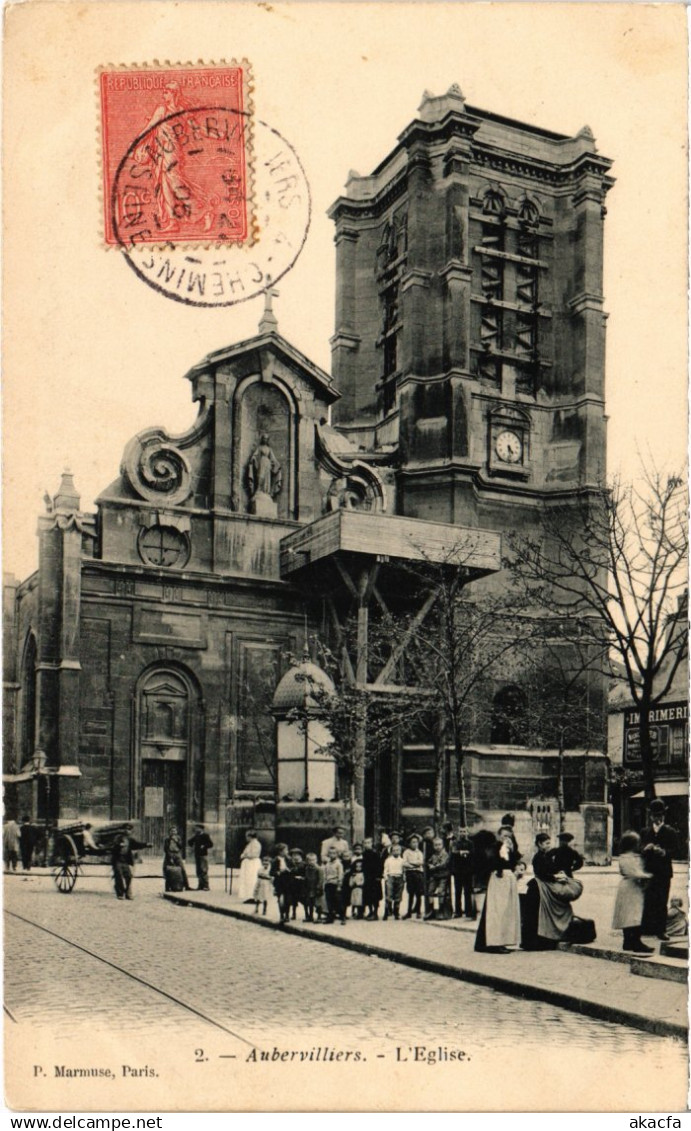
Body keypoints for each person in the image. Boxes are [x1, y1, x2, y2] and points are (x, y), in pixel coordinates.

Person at [529, 831, 582, 948]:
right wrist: (556, 876)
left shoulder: (547, 855)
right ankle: (544, 938)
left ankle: (552, 935)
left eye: (549, 843)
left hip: (548, 883)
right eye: (546, 843)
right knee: (547, 910)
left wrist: (559, 873)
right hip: (542, 885)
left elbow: (551, 869)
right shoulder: (539, 857)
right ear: (539, 844)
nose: (549, 845)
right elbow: (542, 873)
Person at [474, 826, 521, 952]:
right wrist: (502, 854)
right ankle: (493, 943)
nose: (506, 838)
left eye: (509, 836)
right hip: (498, 880)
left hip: (508, 880)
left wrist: (512, 852)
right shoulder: (494, 848)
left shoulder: (510, 848)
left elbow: (513, 863)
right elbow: (491, 863)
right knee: (496, 911)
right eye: (504, 835)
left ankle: (502, 940)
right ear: (499, 836)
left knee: (506, 912)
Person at [641, 799, 678, 940]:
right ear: (651, 816)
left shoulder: (670, 831)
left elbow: (677, 850)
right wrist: (645, 849)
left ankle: (661, 930)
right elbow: (639, 849)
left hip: (663, 872)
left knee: (662, 901)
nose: (658, 818)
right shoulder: (645, 831)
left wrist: (665, 852)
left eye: (660, 815)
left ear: (664, 815)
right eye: (655, 815)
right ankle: (647, 928)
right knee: (648, 899)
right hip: (648, 871)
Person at [612, 831, 655, 955]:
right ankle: (636, 942)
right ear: (632, 844)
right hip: (631, 887)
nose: (639, 845)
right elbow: (634, 872)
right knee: (633, 915)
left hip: (631, 887)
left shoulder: (629, 856)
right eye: (637, 843)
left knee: (629, 914)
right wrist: (648, 876)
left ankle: (628, 941)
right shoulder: (627, 858)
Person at [111, 823, 150, 900]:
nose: (127, 831)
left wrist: (146, 844)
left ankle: (128, 893)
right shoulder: (118, 838)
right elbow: (113, 846)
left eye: (129, 830)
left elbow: (137, 844)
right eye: (125, 829)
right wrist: (118, 845)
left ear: (131, 831)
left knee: (128, 876)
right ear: (123, 830)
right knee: (119, 876)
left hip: (125, 860)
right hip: (117, 860)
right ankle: (120, 894)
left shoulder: (130, 839)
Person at [450, 827, 476, 919]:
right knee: (458, 891)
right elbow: (453, 852)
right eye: (461, 831)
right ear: (458, 832)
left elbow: (473, 853)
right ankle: (458, 911)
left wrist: (467, 853)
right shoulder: (455, 843)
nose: (462, 833)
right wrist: (461, 852)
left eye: (464, 831)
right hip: (458, 870)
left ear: (467, 832)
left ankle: (468, 911)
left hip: (467, 871)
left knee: (467, 891)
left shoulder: (470, 843)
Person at [425, 836, 451, 921]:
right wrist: (429, 865)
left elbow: (443, 864)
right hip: (434, 876)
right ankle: (431, 910)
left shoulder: (445, 854)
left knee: (441, 892)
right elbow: (429, 862)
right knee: (430, 891)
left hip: (443, 876)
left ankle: (441, 910)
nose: (438, 847)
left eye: (439, 844)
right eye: (436, 845)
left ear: (442, 845)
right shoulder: (433, 855)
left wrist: (434, 867)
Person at [402, 833, 425, 919]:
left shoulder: (419, 852)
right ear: (409, 843)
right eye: (413, 842)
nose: (415, 844)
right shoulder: (406, 852)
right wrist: (414, 865)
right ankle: (409, 912)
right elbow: (404, 863)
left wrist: (411, 863)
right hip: (410, 874)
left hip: (418, 874)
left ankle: (418, 911)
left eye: (416, 842)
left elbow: (421, 862)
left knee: (419, 893)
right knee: (411, 893)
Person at [237, 829, 263, 902]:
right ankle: (249, 896)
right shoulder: (250, 844)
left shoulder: (256, 844)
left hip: (253, 864)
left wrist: (244, 855)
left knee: (252, 879)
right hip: (249, 864)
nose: (246, 838)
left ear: (250, 836)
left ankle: (254, 897)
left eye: (247, 836)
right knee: (248, 880)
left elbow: (254, 855)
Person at [362, 836, 383, 920]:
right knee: (368, 896)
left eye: (368, 843)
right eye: (365, 843)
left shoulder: (375, 854)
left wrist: (379, 876)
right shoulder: (364, 854)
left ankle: (375, 913)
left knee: (375, 896)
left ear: (372, 844)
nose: (367, 844)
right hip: (367, 878)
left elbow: (380, 865)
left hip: (374, 878)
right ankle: (370, 911)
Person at [163, 826, 191, 891]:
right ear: (169, 832)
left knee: (182, 870)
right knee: (168, 870)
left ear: (176, 832)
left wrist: (176, 841)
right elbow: (166, 849)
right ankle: (167, 887)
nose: (173, 832)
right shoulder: (167, 839)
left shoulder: (178, 838)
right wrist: (170, 857)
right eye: (172, 831)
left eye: (174, 831)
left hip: (177, 854)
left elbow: (181, 846)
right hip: (169, 854)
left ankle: (186, 886)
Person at [383, 842, 405, 920]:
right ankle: (386, 912)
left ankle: (396, 912)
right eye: (394, 850)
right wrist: (386, 878)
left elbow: (404, 870)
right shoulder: (388, 860)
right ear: (391, 852)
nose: (396, 852)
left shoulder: (402, 861)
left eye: (398, 850)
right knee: (389, 895)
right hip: (391, 877)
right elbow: (385, 870)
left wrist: (403, 878)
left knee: (398, 895)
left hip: (399, 877)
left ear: (400, 851)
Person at [188, 823, 213, 891]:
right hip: (197, 855)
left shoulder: (205, 835)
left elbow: (211, 844)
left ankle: (206, 886)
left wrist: (204, 846)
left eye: (197, 828)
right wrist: (192, 845)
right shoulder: (196, 836)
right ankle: (200, 885)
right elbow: (190, 841)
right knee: (198, 871)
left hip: (203, 855)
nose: (196, 829)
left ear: (201, 829)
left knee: (204, 870)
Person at [323, 845, 345, 924]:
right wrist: (324, 883)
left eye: (334, 853)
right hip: (328, 884)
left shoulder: (338, 864)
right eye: (330, 853)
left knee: (338, 901)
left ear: (337, 854)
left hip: (335, 884)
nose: (332, 855)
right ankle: (330, 917)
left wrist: (339, 885)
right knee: (329, 902)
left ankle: (342, 917)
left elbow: (340, 875)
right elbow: (325, 874)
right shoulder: (327, 864)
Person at [271, 843, 292, 923]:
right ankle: (281, 915)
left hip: (288, 881)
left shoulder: (289, 859)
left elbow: (293, 868)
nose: (287, 852)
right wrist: (279, 872)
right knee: (280, 899)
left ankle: (287, 915)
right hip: (279, 882)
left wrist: (288, 870)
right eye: (285, 850)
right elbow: (271, 872)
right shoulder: (275, 861)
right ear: (280, 852)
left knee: (288, 899)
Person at [303, 851, 324, 923]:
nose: (312, 862)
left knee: (318, 903)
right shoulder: (307, 869)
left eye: (313, 860)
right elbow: (306, 878)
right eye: (310, 860)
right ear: (307, 861)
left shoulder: (319, 869)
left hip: (316, 888)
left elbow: (321, 879)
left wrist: (318, 887)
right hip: (309, 888)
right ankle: (310, 916)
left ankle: (319, 917)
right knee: (310, 903)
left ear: (316, 860)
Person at [288, 848, 306, 920]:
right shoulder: (291, 864)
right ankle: (293, 914)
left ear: (300, 856)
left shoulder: (304, 864)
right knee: (293, 900)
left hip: (301, 885)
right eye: (293, 855)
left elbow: (306, 874)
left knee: (304, 900)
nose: (295, 857)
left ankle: (307, 914)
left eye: (296, 855)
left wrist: (302, 877)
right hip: (293, 884)